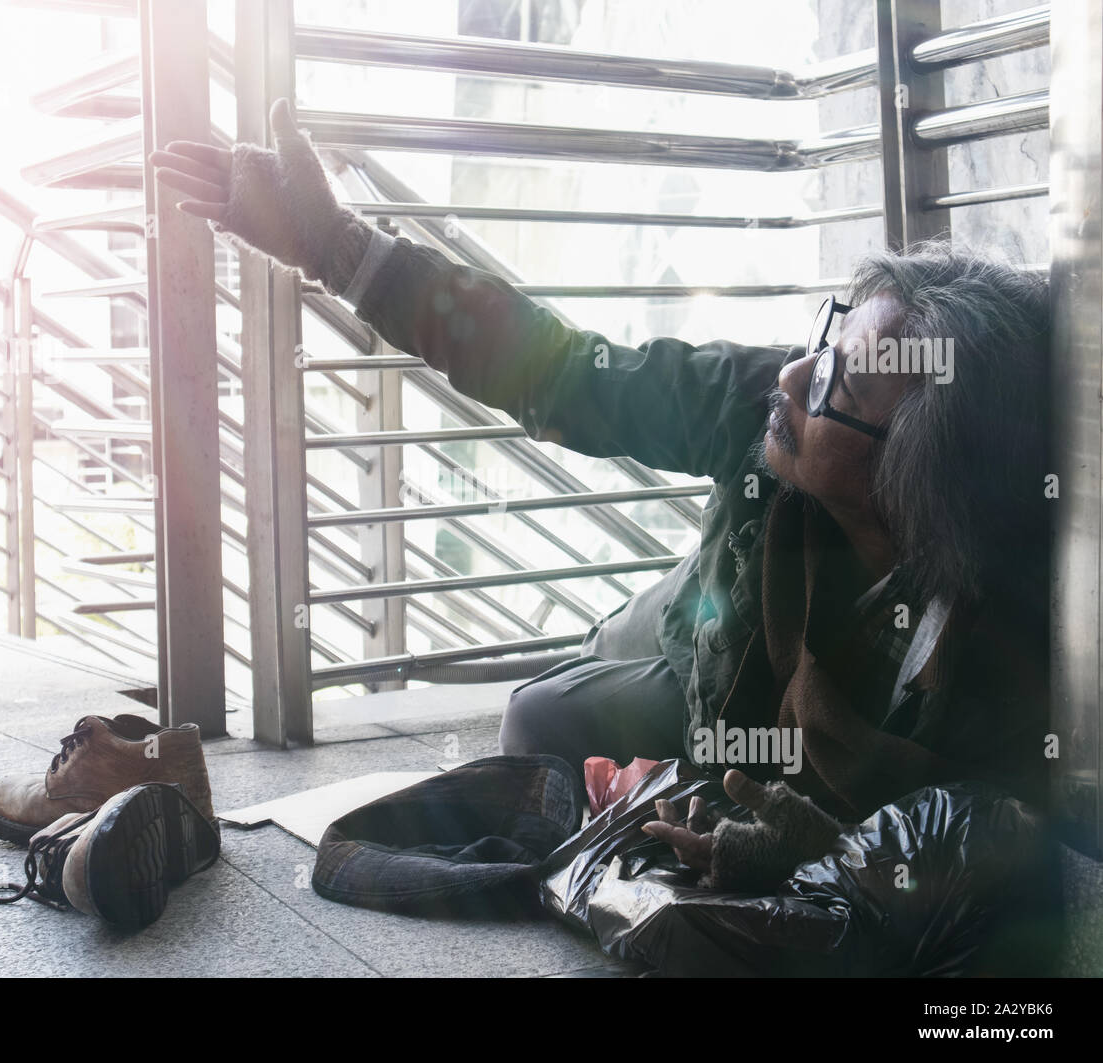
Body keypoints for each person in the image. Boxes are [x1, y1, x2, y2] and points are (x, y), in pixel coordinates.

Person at [150, 98, 1052, 888]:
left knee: (566, 735)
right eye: (824, 335)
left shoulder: (996, 646)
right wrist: (336, 247)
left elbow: (979, 859)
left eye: (834, 388)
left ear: (915, 483)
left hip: (766, 709)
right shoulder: (755, 405)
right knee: (542, 716)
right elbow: (565, 372)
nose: (790, 375)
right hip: (699, 626)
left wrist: (821, 856)